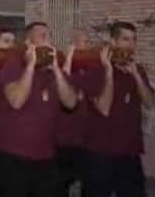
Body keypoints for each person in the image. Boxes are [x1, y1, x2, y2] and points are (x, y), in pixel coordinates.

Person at [0, 21, 75, 197]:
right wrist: (30, 65)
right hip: (13, 155)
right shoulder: (14, 66)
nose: (49, 41)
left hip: (45, 155)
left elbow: (70, 102)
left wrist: (57, 70)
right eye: (43, 36)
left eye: (50, 36)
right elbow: (16, 101)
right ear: (29, 43)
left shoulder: (53, 73)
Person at [79, 21, 155, 197]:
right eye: (126, 40)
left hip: (130, 152)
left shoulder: (139, 71)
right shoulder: (96, 71)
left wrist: (135, 74)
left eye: (134, 40)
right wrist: (109, 72)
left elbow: (150, 103)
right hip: (99, 153)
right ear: (113, 42)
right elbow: (104, 109)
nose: (131, 45)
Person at [55, 29, 99, 197]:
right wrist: (70, 55)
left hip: (86, 137)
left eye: (89, 42)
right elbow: (64, 79)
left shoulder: (91, 67)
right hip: (65, 138)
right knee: (62, 182)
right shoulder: (62, 65)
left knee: (87, 181)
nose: (88, 46)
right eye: (85, 42)